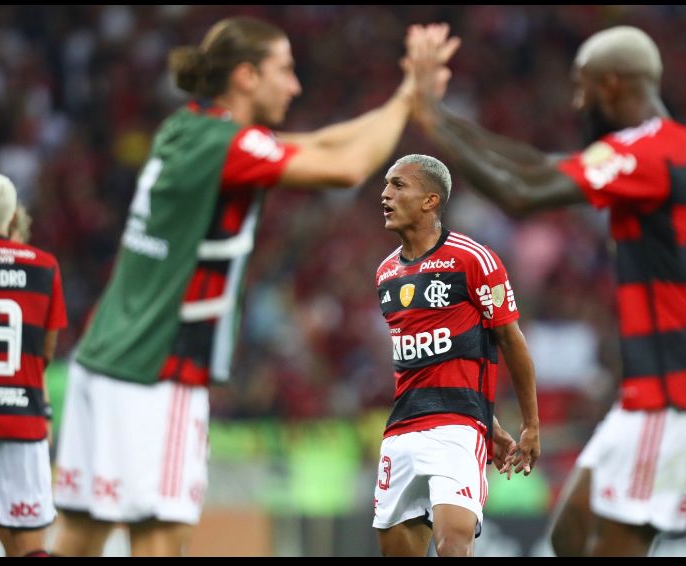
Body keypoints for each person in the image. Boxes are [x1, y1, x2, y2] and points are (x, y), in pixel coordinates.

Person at [51, 16, 441, 557]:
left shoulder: (186, 127)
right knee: (161, 538)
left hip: (102, 358)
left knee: (80, 534)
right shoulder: (227, 148)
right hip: (158, 367)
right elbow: (346, 166)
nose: (296, 85)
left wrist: (403, 97)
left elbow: (323, 141)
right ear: (246, 76)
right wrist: (408, 101)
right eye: (285, 70)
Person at [408, 24, 686, 556]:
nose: (576, 101)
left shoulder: (647, 154)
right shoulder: (680, 144)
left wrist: (431, 119)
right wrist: (440, 117)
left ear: (612, 85)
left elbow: (522, 194)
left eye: (582, 87)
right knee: (570, 537)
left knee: (611, 546)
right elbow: (538, 166)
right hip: (657, 389)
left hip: (681, 387)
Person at [373, 154, 541, 556]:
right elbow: (432, 360)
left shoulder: (472, 259)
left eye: (398, 185)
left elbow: (511, 341)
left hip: (457, 431)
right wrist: (492, 421)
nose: (385, 195)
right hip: (400, 431)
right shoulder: (385, 274)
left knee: (453, 543)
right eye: (385, 185)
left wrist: (531, 424)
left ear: (431, 200)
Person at [0, 172, 67, 557]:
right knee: (29, 543)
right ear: (14, 217)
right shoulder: (46, 267)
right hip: (26, 418)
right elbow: (45, 351)